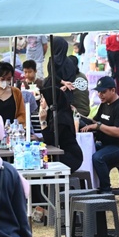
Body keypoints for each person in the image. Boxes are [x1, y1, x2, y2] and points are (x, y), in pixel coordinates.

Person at [80, 76, 119, 194]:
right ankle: (92, 186)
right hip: (105, 144)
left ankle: (106, 190)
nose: (100, 95)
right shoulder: (104, 104)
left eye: (103, 92)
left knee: (98, 158)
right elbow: (95, 121)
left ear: (113, 90)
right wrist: (79, 117)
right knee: (87, 151)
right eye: (98, 92)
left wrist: (99, 127)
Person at [41, 37, 83, 173]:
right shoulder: (69, 62)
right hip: (64, 93)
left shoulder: (53, 61)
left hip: (58, 94)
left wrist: (61, 84)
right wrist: (65, 84)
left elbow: (52, 76)